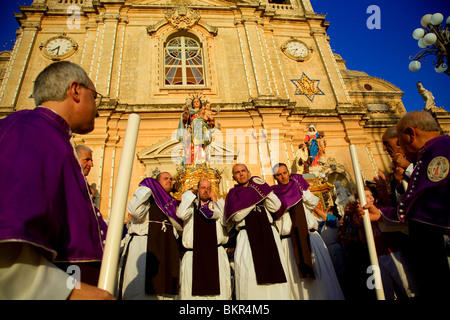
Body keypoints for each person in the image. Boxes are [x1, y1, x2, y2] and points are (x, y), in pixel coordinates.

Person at [0, 61, 113, 299]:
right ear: (75, 91)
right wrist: (67, 292)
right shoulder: (29, 131)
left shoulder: (51, 136)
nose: (98, 109)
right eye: (95, 97)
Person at [359, 111, 450, 299]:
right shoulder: (426, 157)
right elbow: (419, 207)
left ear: (411, 134)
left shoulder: (441, 151)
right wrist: (382, 214)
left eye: (398, 141)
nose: (398, 146)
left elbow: (430, 210)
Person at [271, 163, 344, 300]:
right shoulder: (273, 193)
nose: (283, 176)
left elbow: (313, 203)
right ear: (275, 177)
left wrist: (299, 189)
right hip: (289, 242)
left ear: (289, 173)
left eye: (285, 173)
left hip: (310, 238)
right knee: (297, 282)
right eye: (279, 175)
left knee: (322, 277)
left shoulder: (297, 185)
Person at [224, 163, 290, 300]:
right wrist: (255, 197)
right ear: (233, 177)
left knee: (276, 271)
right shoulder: (233, 194)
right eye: (237, 172)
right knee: (249, 274)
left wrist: (264, 190)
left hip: (268, 233)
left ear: (249, 173)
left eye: (243, 171)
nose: (241, 174)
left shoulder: (258, 188)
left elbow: (275, 206)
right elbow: (237, 216)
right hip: (246, 237)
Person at [117, 172, 182, 300]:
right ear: (156, 182)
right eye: (165, 178)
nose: (169, 181)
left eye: (171, 179)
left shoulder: (173, 203)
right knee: (141, 288)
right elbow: (135, 211)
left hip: (167, 248)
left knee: (166, 289)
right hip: (145, 245)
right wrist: (148, 187)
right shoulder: (148, 198)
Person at [354, 186, 418, 300]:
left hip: (392, 252)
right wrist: (360, 226)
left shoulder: (379, 209)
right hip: (376, 257)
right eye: (367, 196)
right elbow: (364, 241)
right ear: (358, 199)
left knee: (407, 287)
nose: (371, 198)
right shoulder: (358, 216)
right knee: (384, 291)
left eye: (371, 195)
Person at [176, 179, 232, 300]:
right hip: (194, 256)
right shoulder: (191, 206)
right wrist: (190, 193)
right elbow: (180, 214)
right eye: (202, 188)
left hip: (216, 255)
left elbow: (226, 220)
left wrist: (216, 200)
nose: (205, 190)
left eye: (208, 188)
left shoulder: (217, 204)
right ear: (198, 189)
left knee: (219, 294)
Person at [177, 96, 214, 166]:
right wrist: (186, 112)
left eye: (197, 101)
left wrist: (211, 121)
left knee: (203, 146)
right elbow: (184, 119)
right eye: (194, 102)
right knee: (193, 146)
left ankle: (203, 161)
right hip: (194, 131)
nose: (196, 103)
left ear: (200, 103)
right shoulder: (190, 112)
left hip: (203, 130)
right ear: (192, 104)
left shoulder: (204, 112)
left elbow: (210, 121)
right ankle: (194, 162)